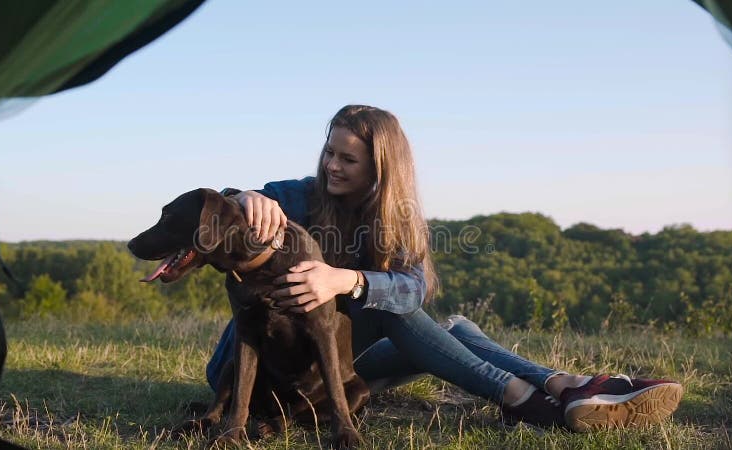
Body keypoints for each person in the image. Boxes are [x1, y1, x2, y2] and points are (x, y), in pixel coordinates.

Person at [205, 105, 683, 430]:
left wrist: (345, 279)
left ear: (380, 168)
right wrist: (240, 196)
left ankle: (562, 386)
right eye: (329, 152)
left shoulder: (394, 218)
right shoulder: (297, 197)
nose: (332, 166)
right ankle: (540, 393)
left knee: (425, 314)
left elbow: (412, 290)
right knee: (424, 319)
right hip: (256, 370)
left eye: (348, 159)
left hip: (335, 370)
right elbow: (225, 212)